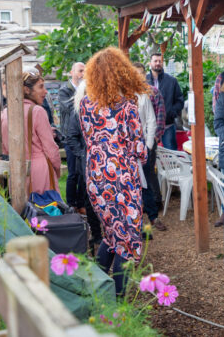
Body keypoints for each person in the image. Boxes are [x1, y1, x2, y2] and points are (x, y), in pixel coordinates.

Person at [79, 47, 148, 297]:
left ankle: (96, 294)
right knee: (127, 239)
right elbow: (139, 149)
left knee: (110, 235)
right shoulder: (127, 106)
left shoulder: (85, 105)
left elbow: (89, 139)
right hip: (122, 179)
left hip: (95, 177)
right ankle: (119, 301)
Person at [1, 70, 61, 196]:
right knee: (45, 210)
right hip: (39, 169)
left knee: (22, 212)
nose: (45, 91)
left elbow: (4, 147)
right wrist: (56, 170)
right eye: (40, 87)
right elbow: (51, 149)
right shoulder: (37, 111)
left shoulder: (5, 112)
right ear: (27, 90)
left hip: (16, 170)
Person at [65, 81, 103, 252]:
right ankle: (96, 234)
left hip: (104, 163)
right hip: (87, 163)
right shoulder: (78, 111)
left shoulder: (104, 109)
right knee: (90, 200)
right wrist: (83, 154)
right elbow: (71, 136)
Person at [133, 62, 167, 230]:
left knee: (146, 180)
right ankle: (135, 220)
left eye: (141, 73)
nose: (138, 77)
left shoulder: (145, 96)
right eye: (135, 73)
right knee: (132, 184)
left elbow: (152, 121)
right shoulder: (122, 95)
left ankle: (153, 217)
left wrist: (148, 145)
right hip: (126, 148)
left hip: (143, 145)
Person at [59, 62, 86, 212]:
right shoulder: (65, 90)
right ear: (72, 72)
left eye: (85, 71)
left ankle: (81, 203)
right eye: (80, 71)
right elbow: (69, 107)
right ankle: (71, 204)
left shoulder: (86, 90)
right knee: (73, 173)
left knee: (82, 172)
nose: (83, 74)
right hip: (70, 136)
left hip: (83, 136)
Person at [146, 53, 184, 150]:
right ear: (150, 63)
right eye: (155, 61)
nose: (158, 63)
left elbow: (180, 101)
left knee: (171, 155)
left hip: (168, 125)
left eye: (160, 61)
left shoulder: (172, 81)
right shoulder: (144, 81)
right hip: (149, 127)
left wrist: (171, 112)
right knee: (150, 155)